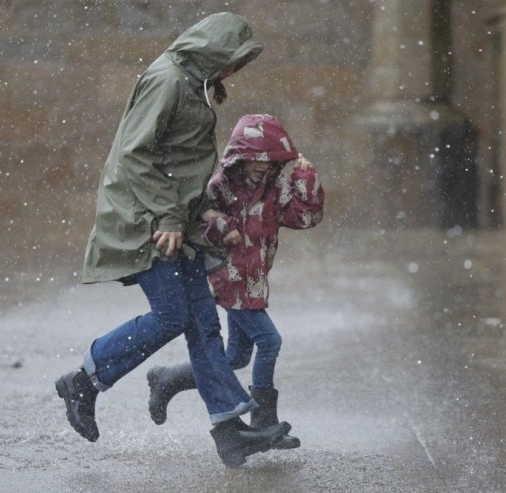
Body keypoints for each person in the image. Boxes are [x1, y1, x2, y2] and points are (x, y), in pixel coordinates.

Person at [55, 14, 291, 467]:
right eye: (231, 63)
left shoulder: (193, 83)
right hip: (146, 221)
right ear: (213, 51)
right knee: (172, 315)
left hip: (174, 223)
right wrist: (168, 214)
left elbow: (180, 159)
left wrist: (200, 210)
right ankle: (84, 379)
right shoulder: (167, 79)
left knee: (203, 324)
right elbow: (136, 154)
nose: (231, 74)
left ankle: (229, 430)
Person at [147, 114, 325, 449]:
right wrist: (221, 226)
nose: (261, 166)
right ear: (240, 157)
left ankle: (167, 378)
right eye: (255, 159)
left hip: (253, 282)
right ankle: (264, 421)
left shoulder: (274, 190)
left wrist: (306, 176)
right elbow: (196, 217)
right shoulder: (221, 185)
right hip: (226, 278)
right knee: (269, 341)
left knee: (236, 357)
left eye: (268, 160)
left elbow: (305, 217)